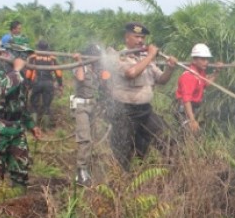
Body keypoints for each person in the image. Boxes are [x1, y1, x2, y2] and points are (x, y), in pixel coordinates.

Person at [109, 21, 177, 170]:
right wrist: (151, 55)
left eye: (143, 38)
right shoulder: (119, 57)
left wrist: (170, 68)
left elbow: (162, 80)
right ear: (127, 38)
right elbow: (131, 73)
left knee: (167, 139)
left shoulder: (146, 59)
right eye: (136, 37)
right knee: (125, 152)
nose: (140, 41)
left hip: (145, 111)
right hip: (125, 112)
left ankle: (165, 175)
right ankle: (125, 182)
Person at [0, 36, 41, 189]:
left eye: (25, 55)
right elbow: (1, 90)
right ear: (9, 53)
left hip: (16, 127)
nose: (24, 58)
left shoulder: (20, 73)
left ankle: (19, 201)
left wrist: (31, 125)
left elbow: (20, 102)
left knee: (21, 169)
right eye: (21, 55)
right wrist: (16, 71)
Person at [72, 44, 104, 186]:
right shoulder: (82, 66)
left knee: (93, 138)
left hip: (92, 106)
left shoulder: (95, 69)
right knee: (84, 139)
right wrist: (79, 61)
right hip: (81, 106)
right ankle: (81, 171)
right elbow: (80, 78)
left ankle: (88, 167)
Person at [174, 43, 220, 134]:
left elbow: (205, 84)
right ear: (194, 60)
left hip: (194, 107)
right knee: (189, 135)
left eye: (207, 59)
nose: (206, 62)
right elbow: (186, 100)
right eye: (203, 59)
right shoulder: (189, 77)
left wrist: (216, 72)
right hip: (185, 109)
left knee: (196, 134)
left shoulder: (200, 73)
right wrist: (192, 120)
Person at [26, 40, 63, 127]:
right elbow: (58, 73)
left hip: (37, 82)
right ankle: (46, 128)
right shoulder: (52, 57)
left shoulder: (33, 56)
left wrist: (27, 83)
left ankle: (33, 127)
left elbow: (29, 72)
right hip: (48, 83)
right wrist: (60, 84)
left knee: (34, 104)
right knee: (47, 105)